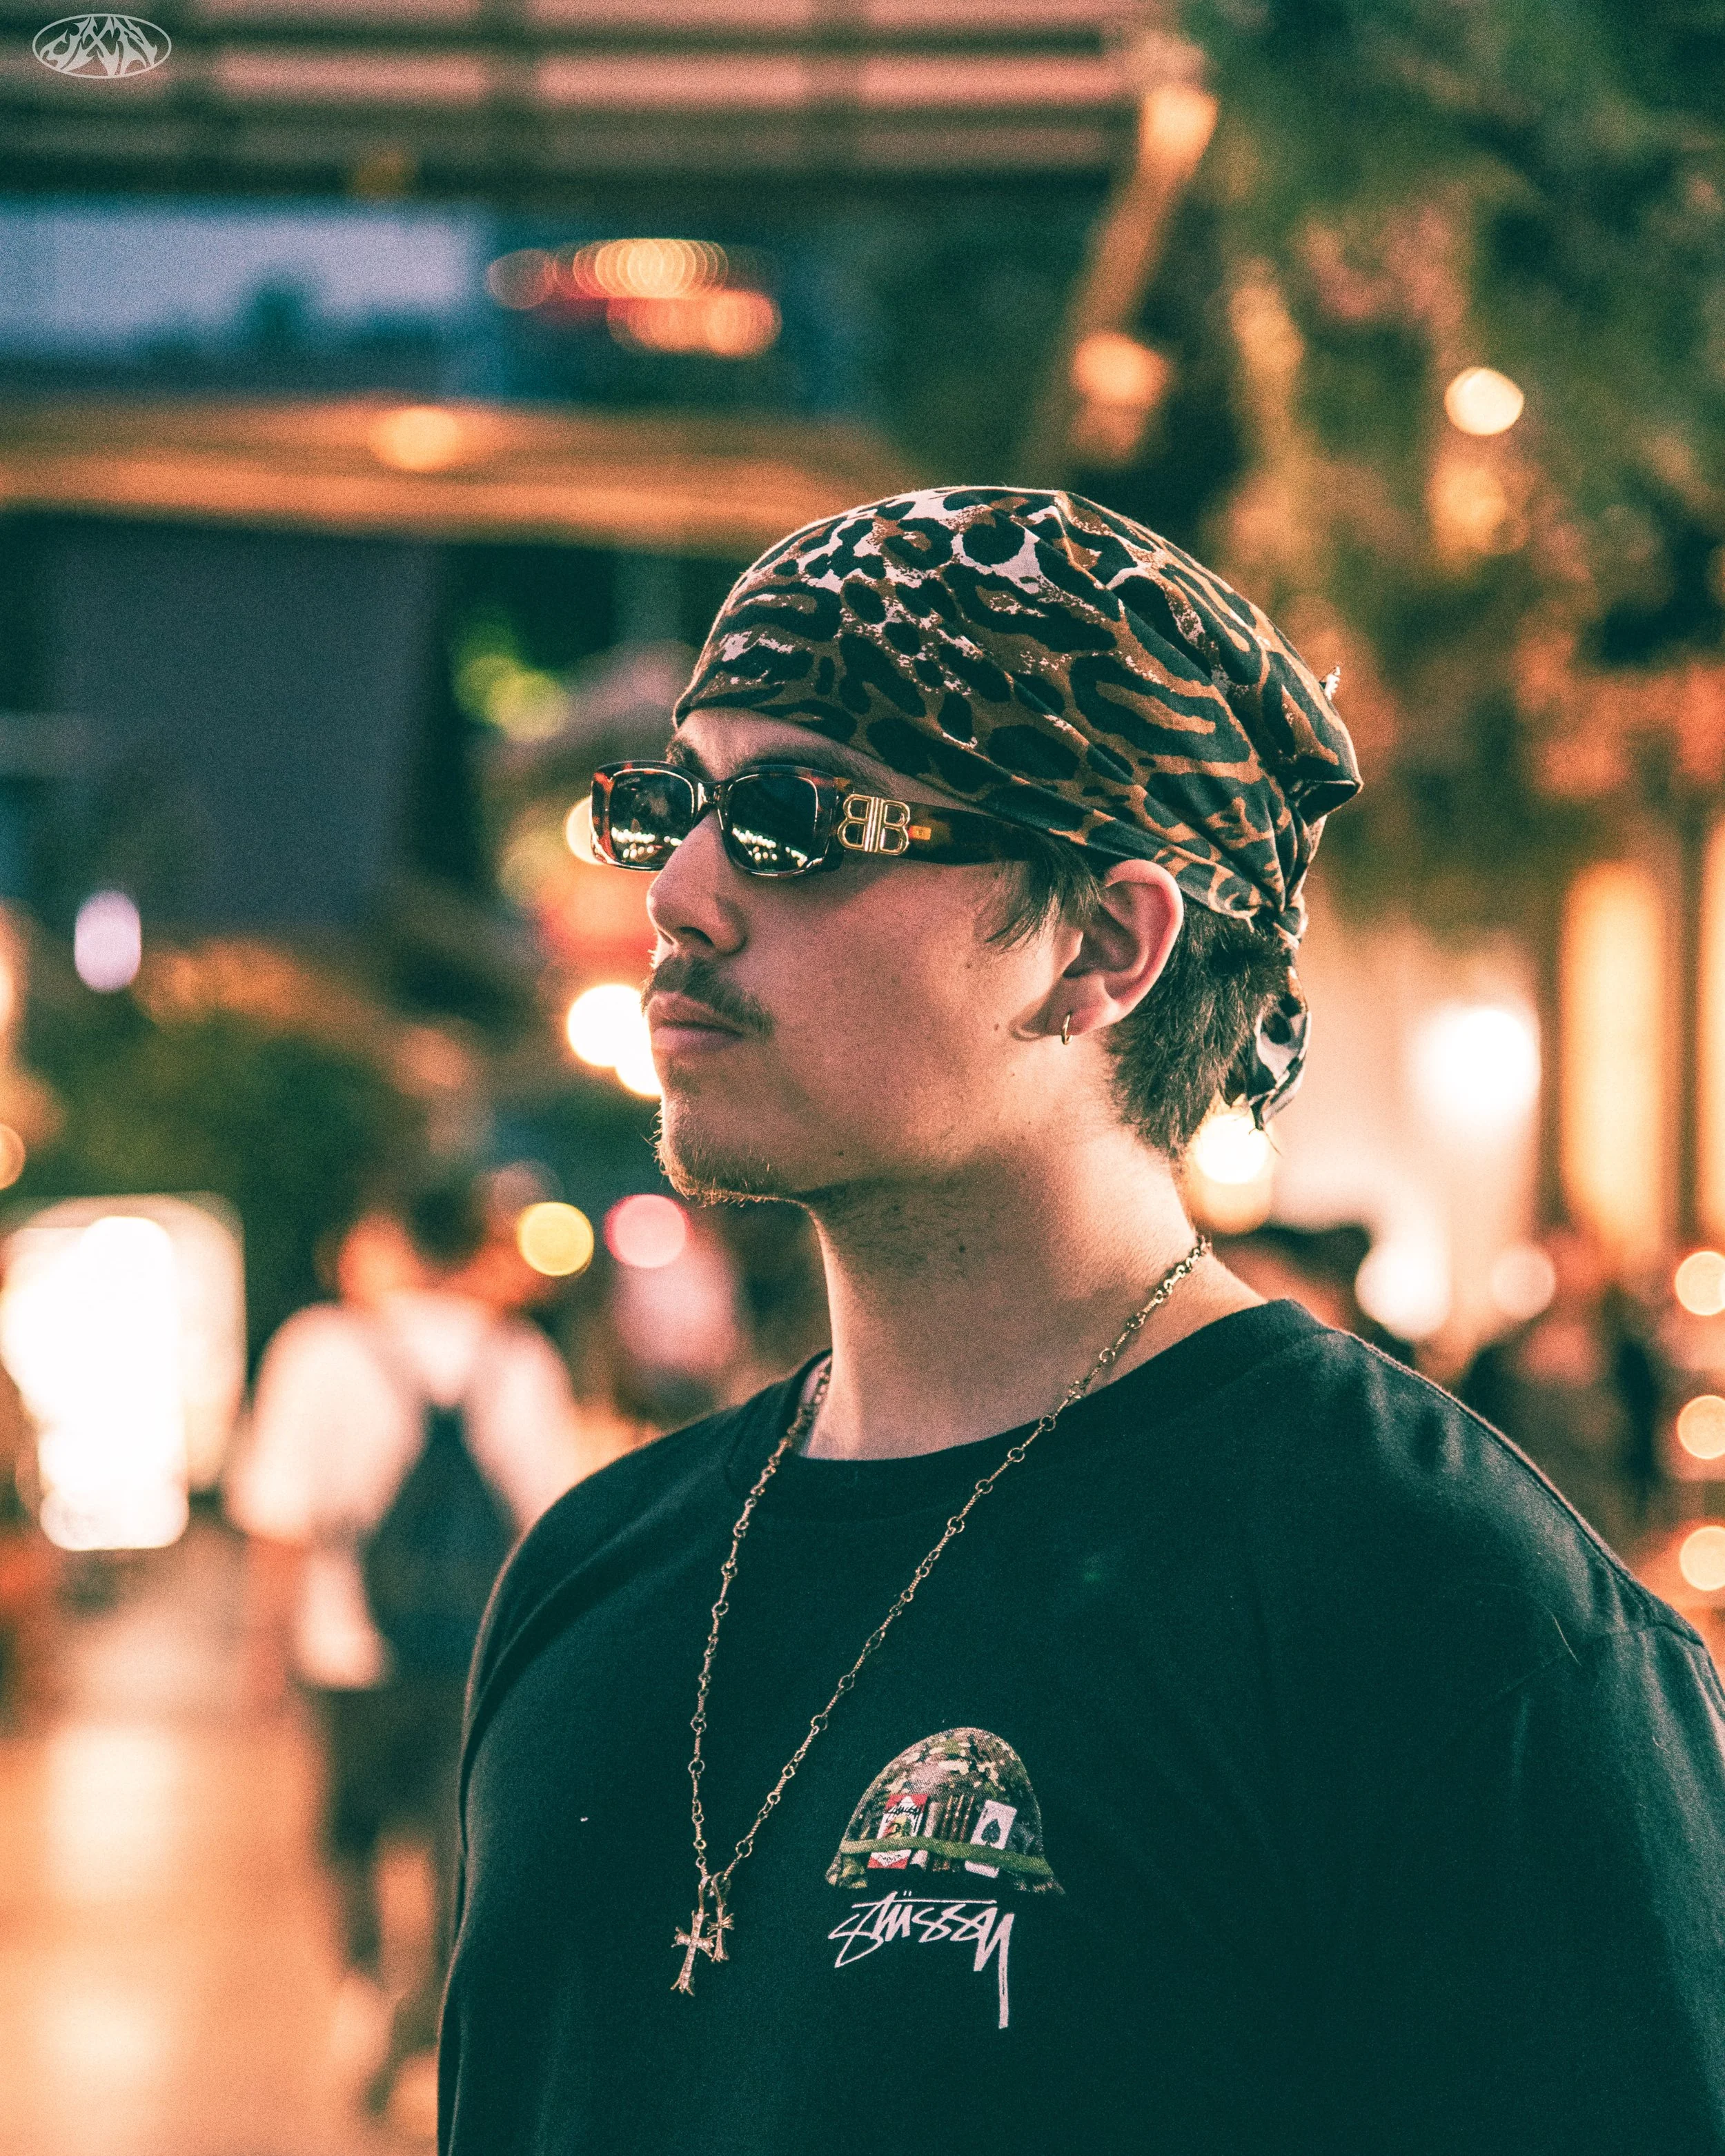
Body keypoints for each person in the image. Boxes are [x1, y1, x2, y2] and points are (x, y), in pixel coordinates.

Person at [441, 491, 1725, 2155]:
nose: (678, 894)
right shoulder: (595, 1566)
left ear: (1102, 945)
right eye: (671, 807)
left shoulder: (1444, 1618)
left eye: (795, 817)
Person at [228, 1182, 590, 2114]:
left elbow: (281, 1518)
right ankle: (434, 2023)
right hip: (480, 1648)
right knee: (454, 1836)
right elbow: (550, 1525)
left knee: (347, 1830)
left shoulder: (319, 1351)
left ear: (393, 1242)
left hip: (344, 1641)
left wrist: (263, 1645)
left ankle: (364, 1988)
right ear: (476, 1249)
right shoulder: (520, 1359)